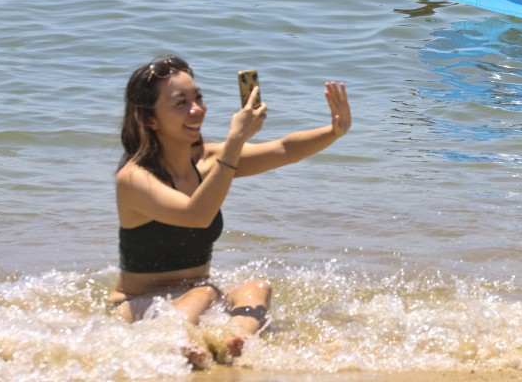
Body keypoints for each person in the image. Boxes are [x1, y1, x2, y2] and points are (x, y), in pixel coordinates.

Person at [111, 55, 352, 368]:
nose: (196, 109)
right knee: (204, 294)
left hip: (196, 296)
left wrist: (334, 131)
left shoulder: (209, 159)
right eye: (180, 102)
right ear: (149, 120)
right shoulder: (133, 178)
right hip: (136, 305)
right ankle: (171, 341)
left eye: (197, 97)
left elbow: (283, 150)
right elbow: (197, 215)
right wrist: (236, 141)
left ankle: (232, 341)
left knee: (256, 288)